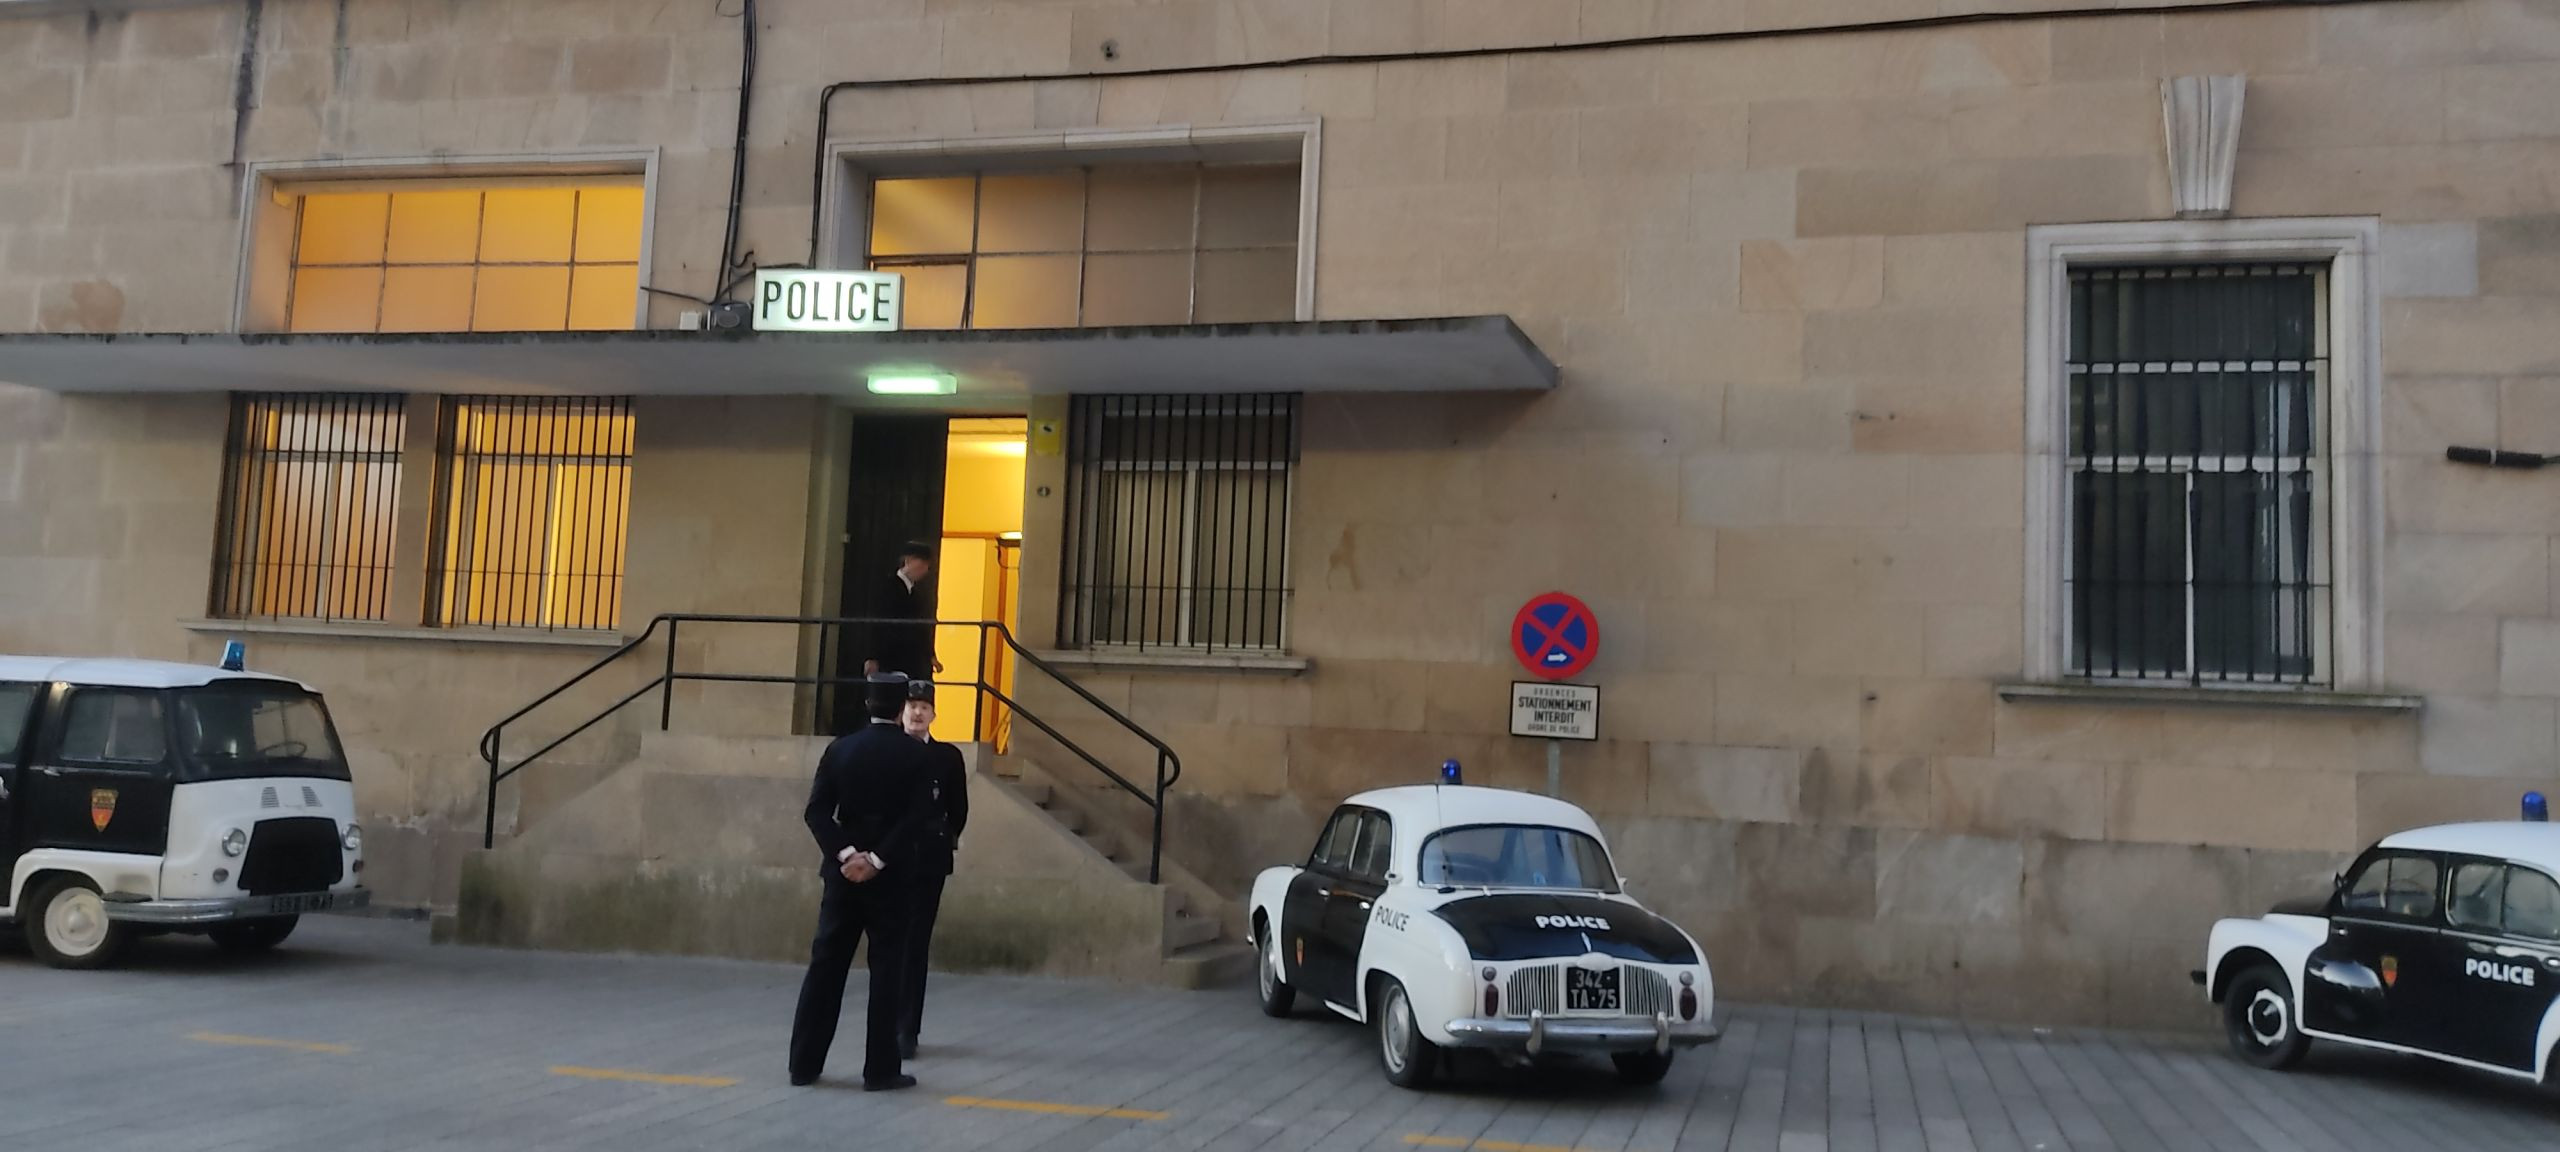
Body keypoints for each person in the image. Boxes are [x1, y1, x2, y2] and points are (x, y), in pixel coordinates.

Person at [788, 672, 936, 1091]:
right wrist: (877, 858)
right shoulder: (916, 756)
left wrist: (846, 854)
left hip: (842, 877)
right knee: (887, 970)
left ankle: (804, 1063)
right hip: (892, 877)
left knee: (826, 965)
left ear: (868, 705)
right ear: (899, 708)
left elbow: (817, 812)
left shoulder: (840, 749)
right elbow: (919, 817)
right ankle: (881, 1068)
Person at [896, 679, 969, 1060]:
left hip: (927, 859)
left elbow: (958, 810)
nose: (917, 713)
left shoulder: (947, 757)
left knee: (915, 944)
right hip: (888, 860)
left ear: (934, 714)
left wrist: (938, 839)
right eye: (912, 706)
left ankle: (907, 1028)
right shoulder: (887, 750)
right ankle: (885, 1024)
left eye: (924, 707)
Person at [862, 542, 940, 682]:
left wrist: (930, 655)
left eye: (926, 566)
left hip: (912, 657)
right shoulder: (887, 587)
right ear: (908, 561)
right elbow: (876, 621)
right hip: (889, 654)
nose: (924, 570)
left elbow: (921, 627)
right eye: (921, 564)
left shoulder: (917, 593)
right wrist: (872, 656)